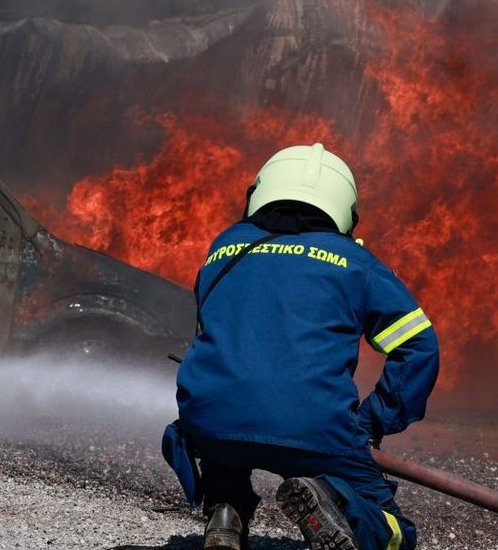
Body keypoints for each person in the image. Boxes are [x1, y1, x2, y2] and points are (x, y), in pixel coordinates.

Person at [167, 143, 439, 550]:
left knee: (226, 432)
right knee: (396, 534)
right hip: (315, 430)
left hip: (211, 423)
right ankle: (337, 503)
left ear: (260, 191)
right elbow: (419, 346)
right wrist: (372, 423)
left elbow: (213, 336)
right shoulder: (355, 263)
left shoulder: (223, 248)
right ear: (344, 207)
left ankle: (225, 509)